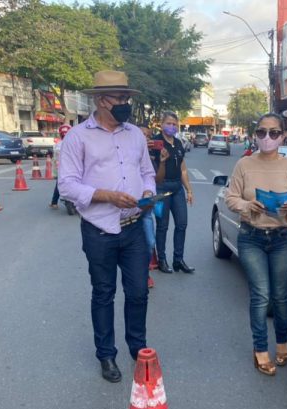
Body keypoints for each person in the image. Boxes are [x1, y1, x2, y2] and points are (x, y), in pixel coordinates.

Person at [58, 70, 156, 383]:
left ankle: (137, 348)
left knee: (139, 292)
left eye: (128, 98)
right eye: (120, 98)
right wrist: (106, 196)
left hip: (134, 227)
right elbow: (67, 186)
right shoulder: (77, 137)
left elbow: (148, 172)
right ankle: (106, 354)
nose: (126, 104)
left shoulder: (136, 135)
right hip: (99, 230)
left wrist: (149, 193)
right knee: (103, 293)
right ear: (101, 100)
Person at [225, 112, 287, 376]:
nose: (267, 138)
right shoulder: (244, 165)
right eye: (262, 132)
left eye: (273, 133)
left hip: (282, 238)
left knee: (281, 295)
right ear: (255, 135)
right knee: (261, 295)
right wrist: (247, 205)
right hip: (252, 237)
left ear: (282, 136)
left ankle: (282, 341)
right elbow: (231, 198)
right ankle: (260, 348)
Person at [151, 112, 195, 274]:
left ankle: (178, 260)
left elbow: (183, 169)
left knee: (182, 224)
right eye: (169, 123)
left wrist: (189, 190)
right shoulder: (155, 143)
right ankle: (162, 260)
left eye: (175, 124)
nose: (172, 126)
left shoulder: (178, 143)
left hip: (177, 188)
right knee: (162, 226)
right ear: (161, 124)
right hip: (161, 188)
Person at [139, 124, 169, 289]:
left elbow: (157, 180)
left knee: (150, 243)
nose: (145, 138)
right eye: (142, 135)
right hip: (127, 210)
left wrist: (163, 162)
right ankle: (139, 274)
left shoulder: (151, 158)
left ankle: (145, 272)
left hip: (146, 209)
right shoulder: (126, 156)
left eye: (148, 136)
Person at [49, 124, 72, 210]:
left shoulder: (57, 146)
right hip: (74, 170)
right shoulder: (76, 143)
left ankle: (54, 203)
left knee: (59, 184)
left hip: (62, 171)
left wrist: (55, 174)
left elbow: (55, 161)